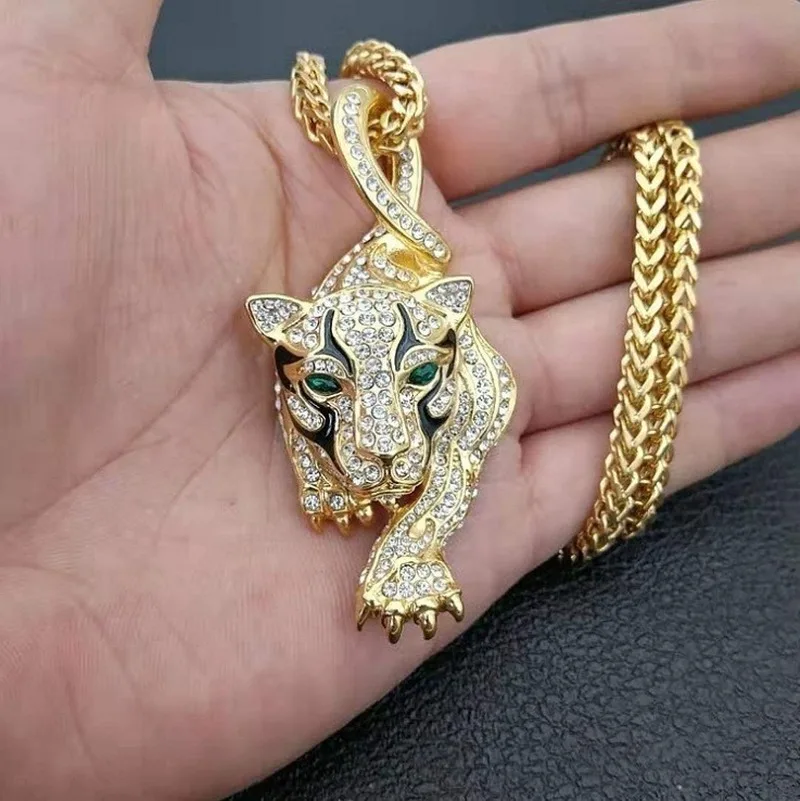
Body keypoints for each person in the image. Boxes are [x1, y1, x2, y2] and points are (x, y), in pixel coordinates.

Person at [1, 1, 798, 798]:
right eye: (325, 381)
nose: (380, 437)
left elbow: (447, 460)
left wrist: (408, 541)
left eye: (416, 376)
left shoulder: (456, 375)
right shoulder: (298, 345)